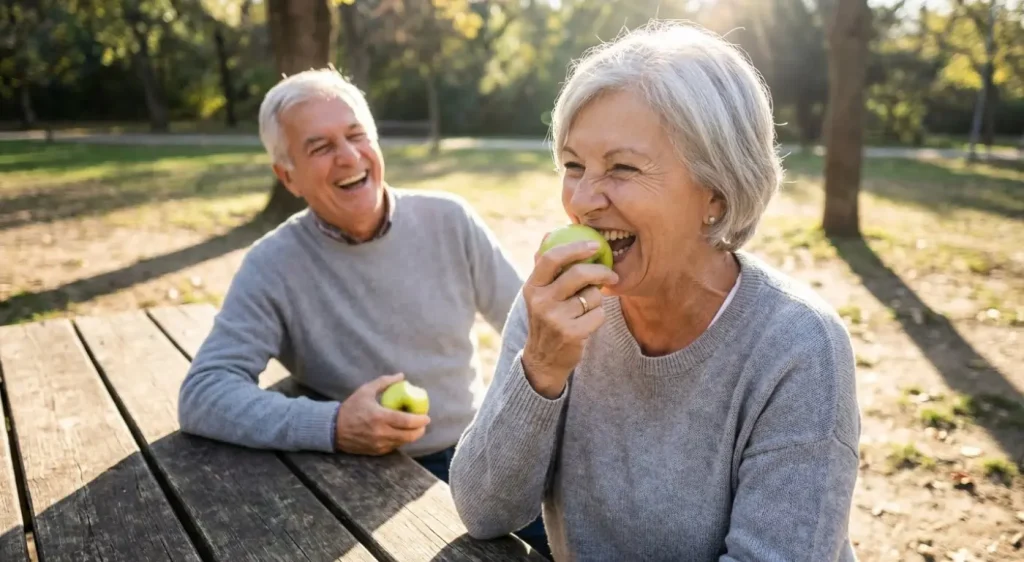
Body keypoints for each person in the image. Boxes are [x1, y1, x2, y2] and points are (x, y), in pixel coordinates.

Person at [448, 20, 861, 562]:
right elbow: (484, 513)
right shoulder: (556, 308)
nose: (584, 200)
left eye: (622, 167)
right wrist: (541, 371)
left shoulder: (799, 348)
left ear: (716, 190)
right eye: (574, 166)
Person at [176, 68, 549, 556]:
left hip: (477, 452)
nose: (349, 157)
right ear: (287, 175)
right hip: (364, 475)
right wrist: (334, 426)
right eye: (320, 147)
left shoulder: (449, 219)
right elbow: (203, 394)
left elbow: (527, 328)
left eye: (356, 135)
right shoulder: (272, 264)